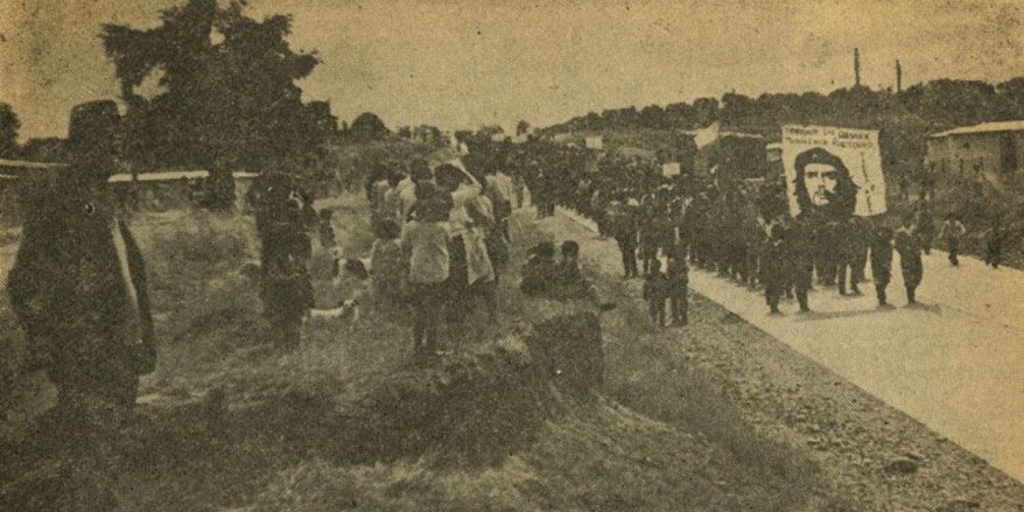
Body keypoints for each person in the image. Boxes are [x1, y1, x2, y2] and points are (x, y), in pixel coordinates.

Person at [7, 100, 156, 511]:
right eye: (109, 141)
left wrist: (143, 337)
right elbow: (23, 283)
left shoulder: (102, 200)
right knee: (91, 467)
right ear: (84, 146)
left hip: (118, 356)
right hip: (87, 360)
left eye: (118, 140)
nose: (117, 150)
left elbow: (128, 275)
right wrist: (54, 338)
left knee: (108, 463)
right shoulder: (61, 204)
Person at [402, 192, 453, 356]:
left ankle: (418, 346)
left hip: (417, 273)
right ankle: (431, 347)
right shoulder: (442, 227)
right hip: (438, 274)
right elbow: (450, 244)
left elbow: (405, 246)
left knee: (420, 312)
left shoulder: (411, 227)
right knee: (434, 311)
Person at [370, 220, 407, 305]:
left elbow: (402, 256)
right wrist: (374, 269)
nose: (383, 232)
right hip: (381, 272)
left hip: (394, 271)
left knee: (394, 291)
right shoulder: (377, 243)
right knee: (381, 292)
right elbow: (374, 258)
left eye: (385, 230)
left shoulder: (398, 242)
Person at [894, 214, 924, 304]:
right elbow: (897, 245)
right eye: (906, 220)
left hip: (916, 257)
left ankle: (912, 290)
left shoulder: (914, 230)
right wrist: (904, 250)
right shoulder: (900, 232)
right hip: (906, 258)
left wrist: (918, 248)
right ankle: (910, 296)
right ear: (903, 222)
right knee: (908, 276)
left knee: (918, 275)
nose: (908, 222)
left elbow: (920, 241)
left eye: (909, 220)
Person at [761, 223, 788, 315]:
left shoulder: (782, 244)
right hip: (770, 269)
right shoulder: (767, 244)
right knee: (771, 286)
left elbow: (785, 256)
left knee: (777, 287)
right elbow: (763, 258)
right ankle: (772, 303)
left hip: (779, 269)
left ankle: (774, 305)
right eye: (775, 233)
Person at [869, 224, 894, 307]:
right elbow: (874, 252)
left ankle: (881, 294)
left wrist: (888, 261)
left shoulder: (888, 243)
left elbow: (890, 254)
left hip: (885, 262)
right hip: (877, 262)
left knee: (886, 279)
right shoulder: (875, 239)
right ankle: (881, 297)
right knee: (879, 279)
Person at [642, 259, 669, 327]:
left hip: (661, 294)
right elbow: (645, 285)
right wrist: (645, 294)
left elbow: (667, 284)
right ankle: (654, 322)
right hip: (653, 294)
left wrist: (667, 293)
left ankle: (662, 323)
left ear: (658, 267)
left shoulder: (662, 275)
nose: (652, 269)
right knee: (653, 309)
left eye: (654, 267)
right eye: (651, 267)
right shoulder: (649, 276)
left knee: (661, 309)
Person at [666, 254, 689, 326]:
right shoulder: (682, 263)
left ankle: (680, 318)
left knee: (678, 302)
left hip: (678, 285)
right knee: (678, 302)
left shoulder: (672, 263)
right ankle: (680, 318)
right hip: (678, 285)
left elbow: (669, 276)